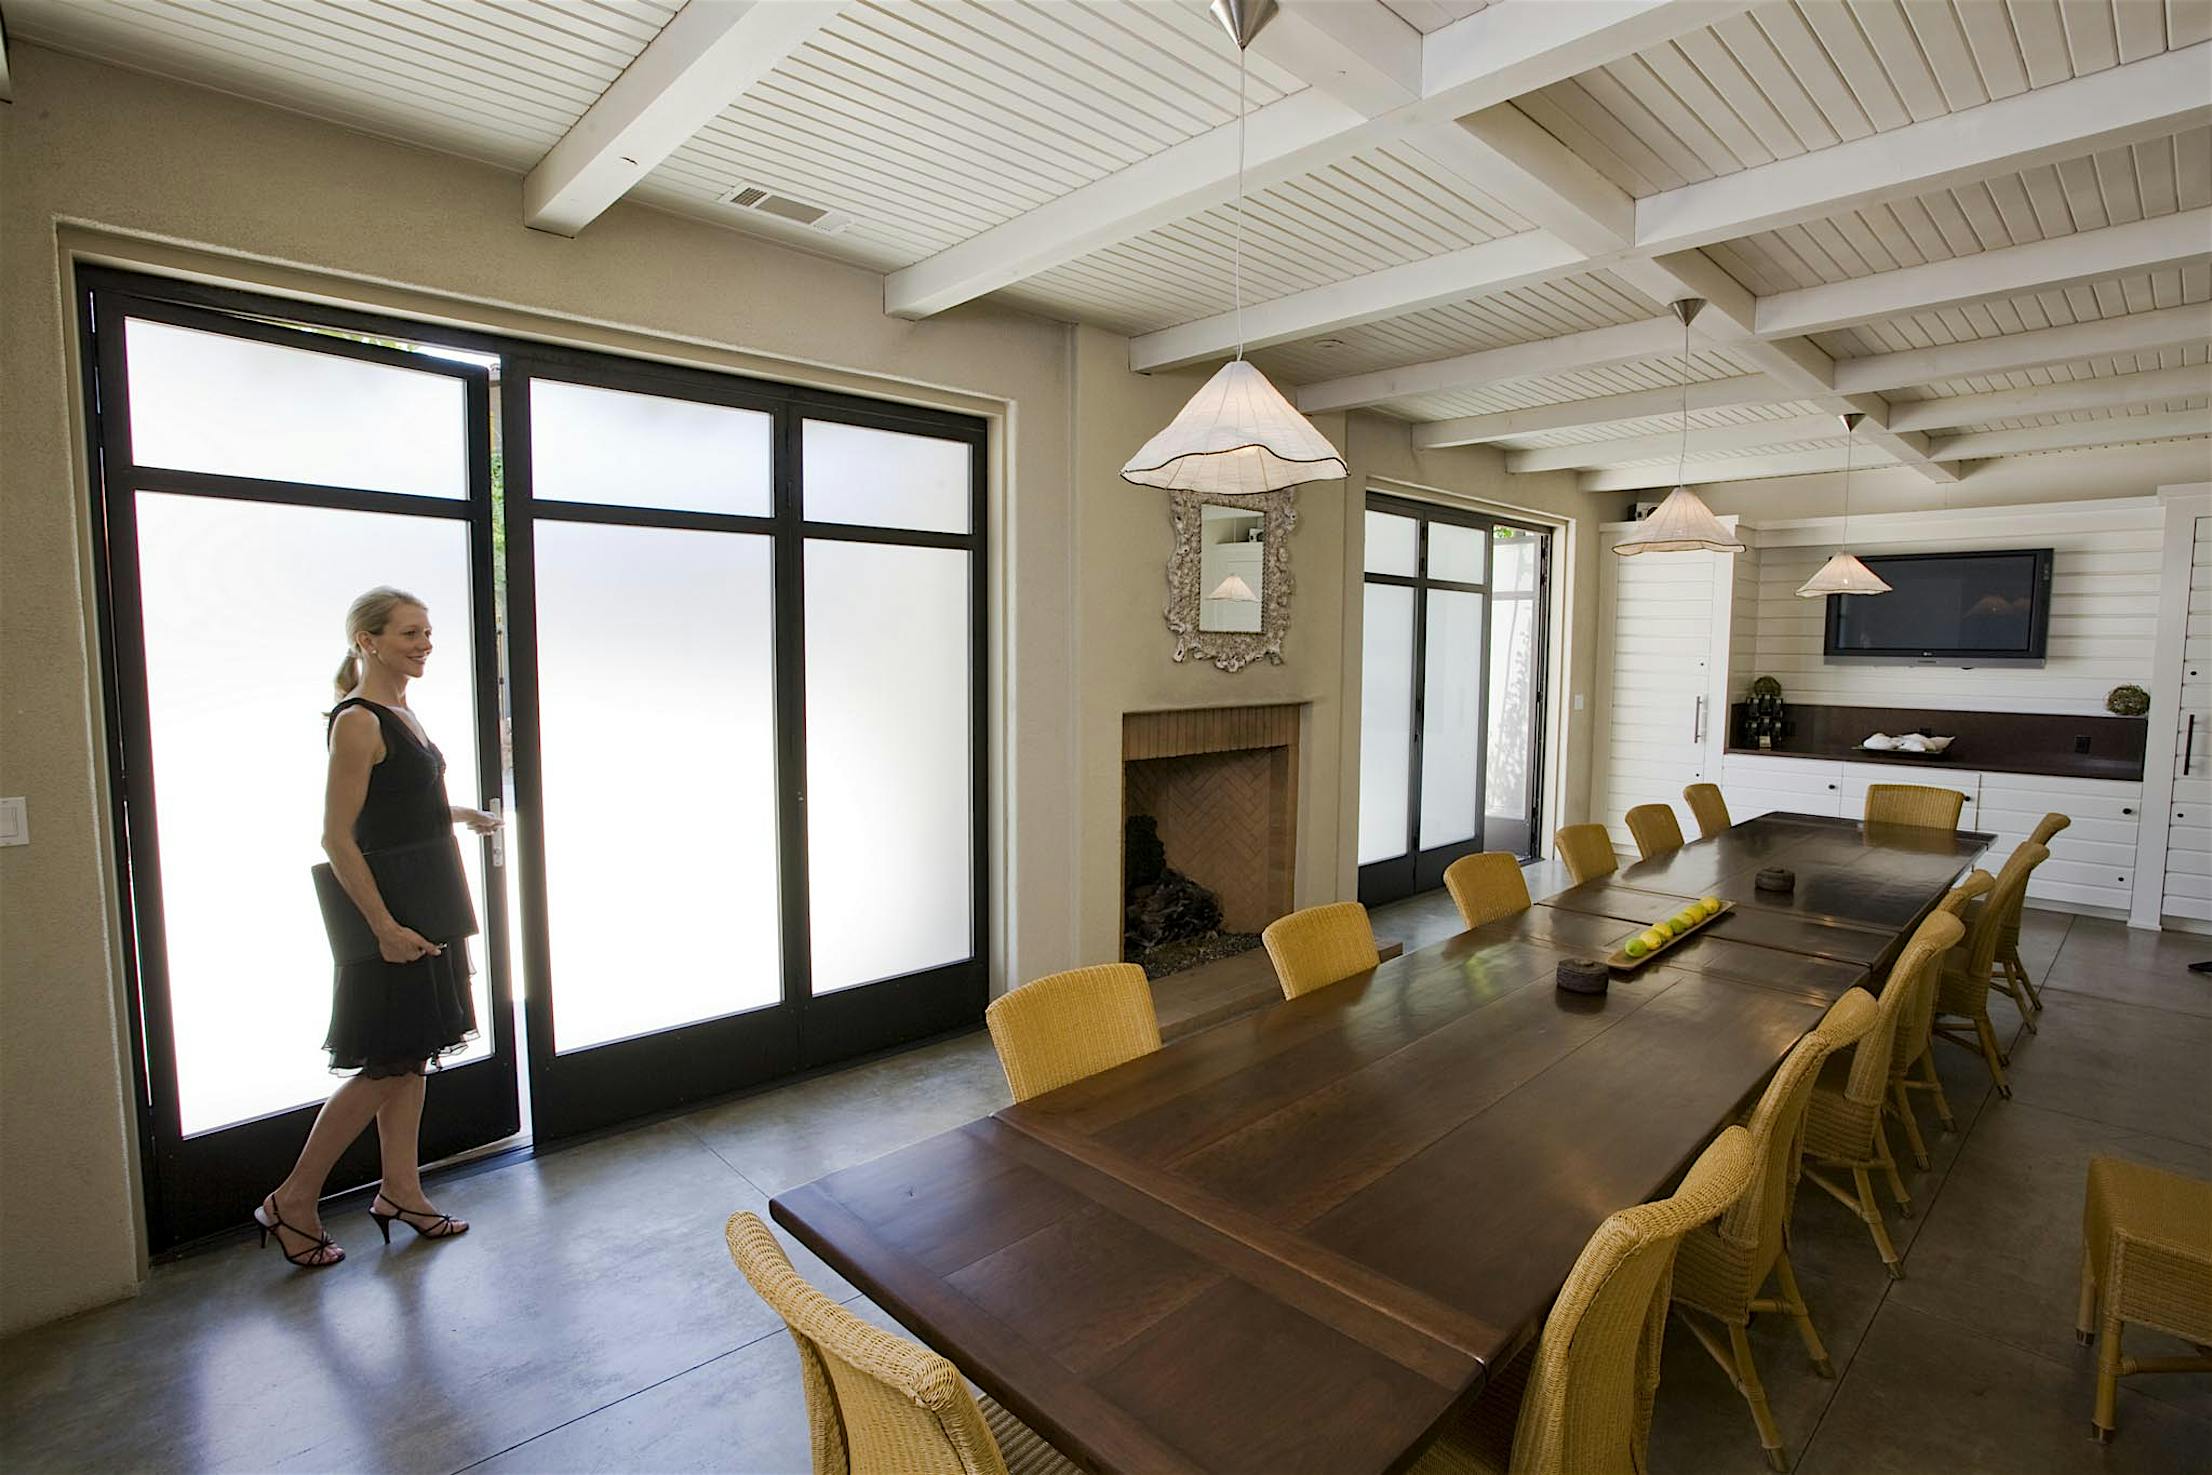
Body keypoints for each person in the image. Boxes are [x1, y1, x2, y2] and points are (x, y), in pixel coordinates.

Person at [255, 586, 500, 1268]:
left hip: (425, 903)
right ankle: (291, 1200)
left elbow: (393, 808)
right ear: (367, 640)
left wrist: (459, 815)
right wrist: (385, 928)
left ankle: (400, 1190)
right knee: (385, 1065)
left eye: (427, 632)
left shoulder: (400, 710)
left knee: (411, 1058)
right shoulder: (357, 719)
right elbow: (338, 836)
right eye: (408, 633)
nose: (424, 643)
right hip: (391, 914)